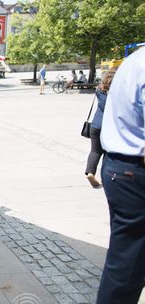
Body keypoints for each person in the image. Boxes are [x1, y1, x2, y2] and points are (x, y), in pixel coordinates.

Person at [96, 47, 145, 304]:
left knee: (125, 264)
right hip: (132, 170)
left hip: (121, 167)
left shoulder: (134, 60)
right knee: (126, 268)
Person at [84, 67, 117, 188]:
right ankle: (105, 177)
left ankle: (90, 172)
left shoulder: (99, 89)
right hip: (109, 127)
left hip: (96, 125)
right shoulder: (116, 93)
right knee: (108, 153)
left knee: (95, 151)